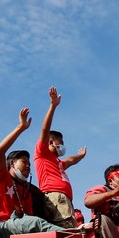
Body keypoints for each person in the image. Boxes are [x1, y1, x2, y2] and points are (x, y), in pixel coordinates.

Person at [0, 108, 61, 237]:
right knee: (36, 223)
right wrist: (21, 128)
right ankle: (74, 234)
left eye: (29, 163)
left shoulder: (27, 190)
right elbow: (0, 151)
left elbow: (26, 218)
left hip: (16, 229)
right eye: (23, 162)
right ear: (12, 164)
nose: (28, 165)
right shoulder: (1, 176)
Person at [34, 86, 87, 227]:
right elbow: (45, 130)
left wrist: (80, 156)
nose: (63, 146)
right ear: (51, 142)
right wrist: (53, 106)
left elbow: (70, 160)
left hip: (63, 199)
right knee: (68, 229)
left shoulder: (57, 163)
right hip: (56, 197)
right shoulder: (42, 153)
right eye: (61, 142)